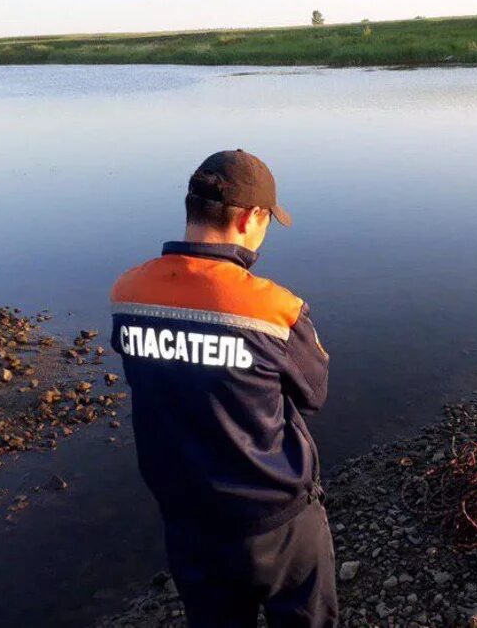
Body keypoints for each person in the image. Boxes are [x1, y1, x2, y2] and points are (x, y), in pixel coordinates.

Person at [109, 150, 337, 628]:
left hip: (187, 520)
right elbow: (314, 394)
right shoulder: (274, 309)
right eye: (268, 220)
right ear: (250, 218)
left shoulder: (128, 293)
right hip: (276, 521)